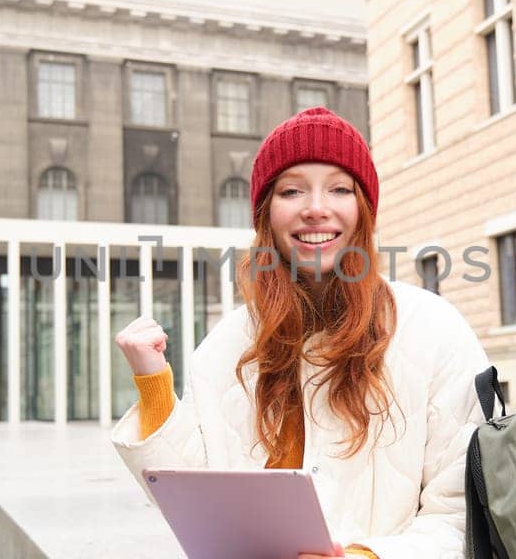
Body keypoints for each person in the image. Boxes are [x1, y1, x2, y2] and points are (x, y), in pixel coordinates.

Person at [112, 107, 492, 559]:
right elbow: (196, 504)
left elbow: (460, 516)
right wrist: (154, 386)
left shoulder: (433, 329)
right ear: (265, 214)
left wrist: (363, 558)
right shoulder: (226, 345)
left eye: (339, 188)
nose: (316, 209)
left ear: (364, 210)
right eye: (292, 190)